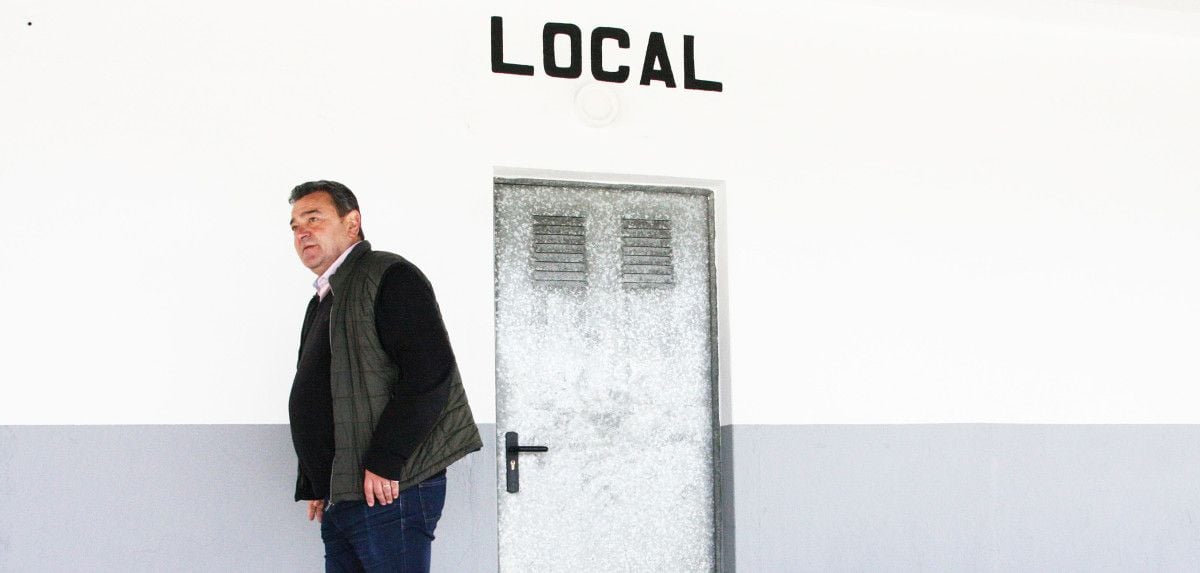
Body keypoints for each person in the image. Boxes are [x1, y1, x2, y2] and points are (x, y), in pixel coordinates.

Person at [286, 180, 482, 572]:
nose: (302, 232)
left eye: (313, 219)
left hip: (392, 491)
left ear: (352, 223)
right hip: (345, 495)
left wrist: (386, 460)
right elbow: (323, 391)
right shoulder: (324, 299)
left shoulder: (389, 276)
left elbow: (429, 374)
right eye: (294, 226)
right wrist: (316, 480)